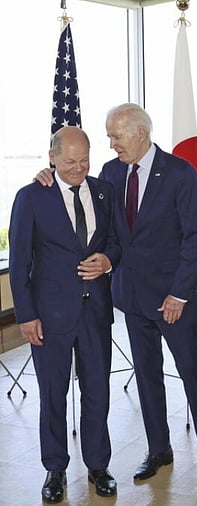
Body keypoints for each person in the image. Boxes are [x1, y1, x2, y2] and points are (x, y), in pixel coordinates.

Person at [36, 103, 197, 481]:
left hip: (175, 299)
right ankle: (159, 449)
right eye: (108, 136)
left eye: (115, 136)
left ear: (140, 133)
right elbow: (84, 202)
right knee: (146, 374)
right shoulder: (110, 173)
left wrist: (179, 294)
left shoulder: (179, 172)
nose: (111, 144)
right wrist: (48, 173)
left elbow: (194, 237)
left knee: (191, 372)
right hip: (132, 297)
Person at [10, 127, 120, 503]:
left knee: (97, 393)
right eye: (70, 161)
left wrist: (108, 261)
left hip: (96, 314)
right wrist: (26, 315)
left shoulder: (104, 192)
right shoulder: (30, 197)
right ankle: (55, 468)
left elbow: (117, 242)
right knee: (53, 394)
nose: (78, 169)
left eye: (85, 160)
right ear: (52, 157)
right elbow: (19, 262)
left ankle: (98, 466)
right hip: (49, 316)